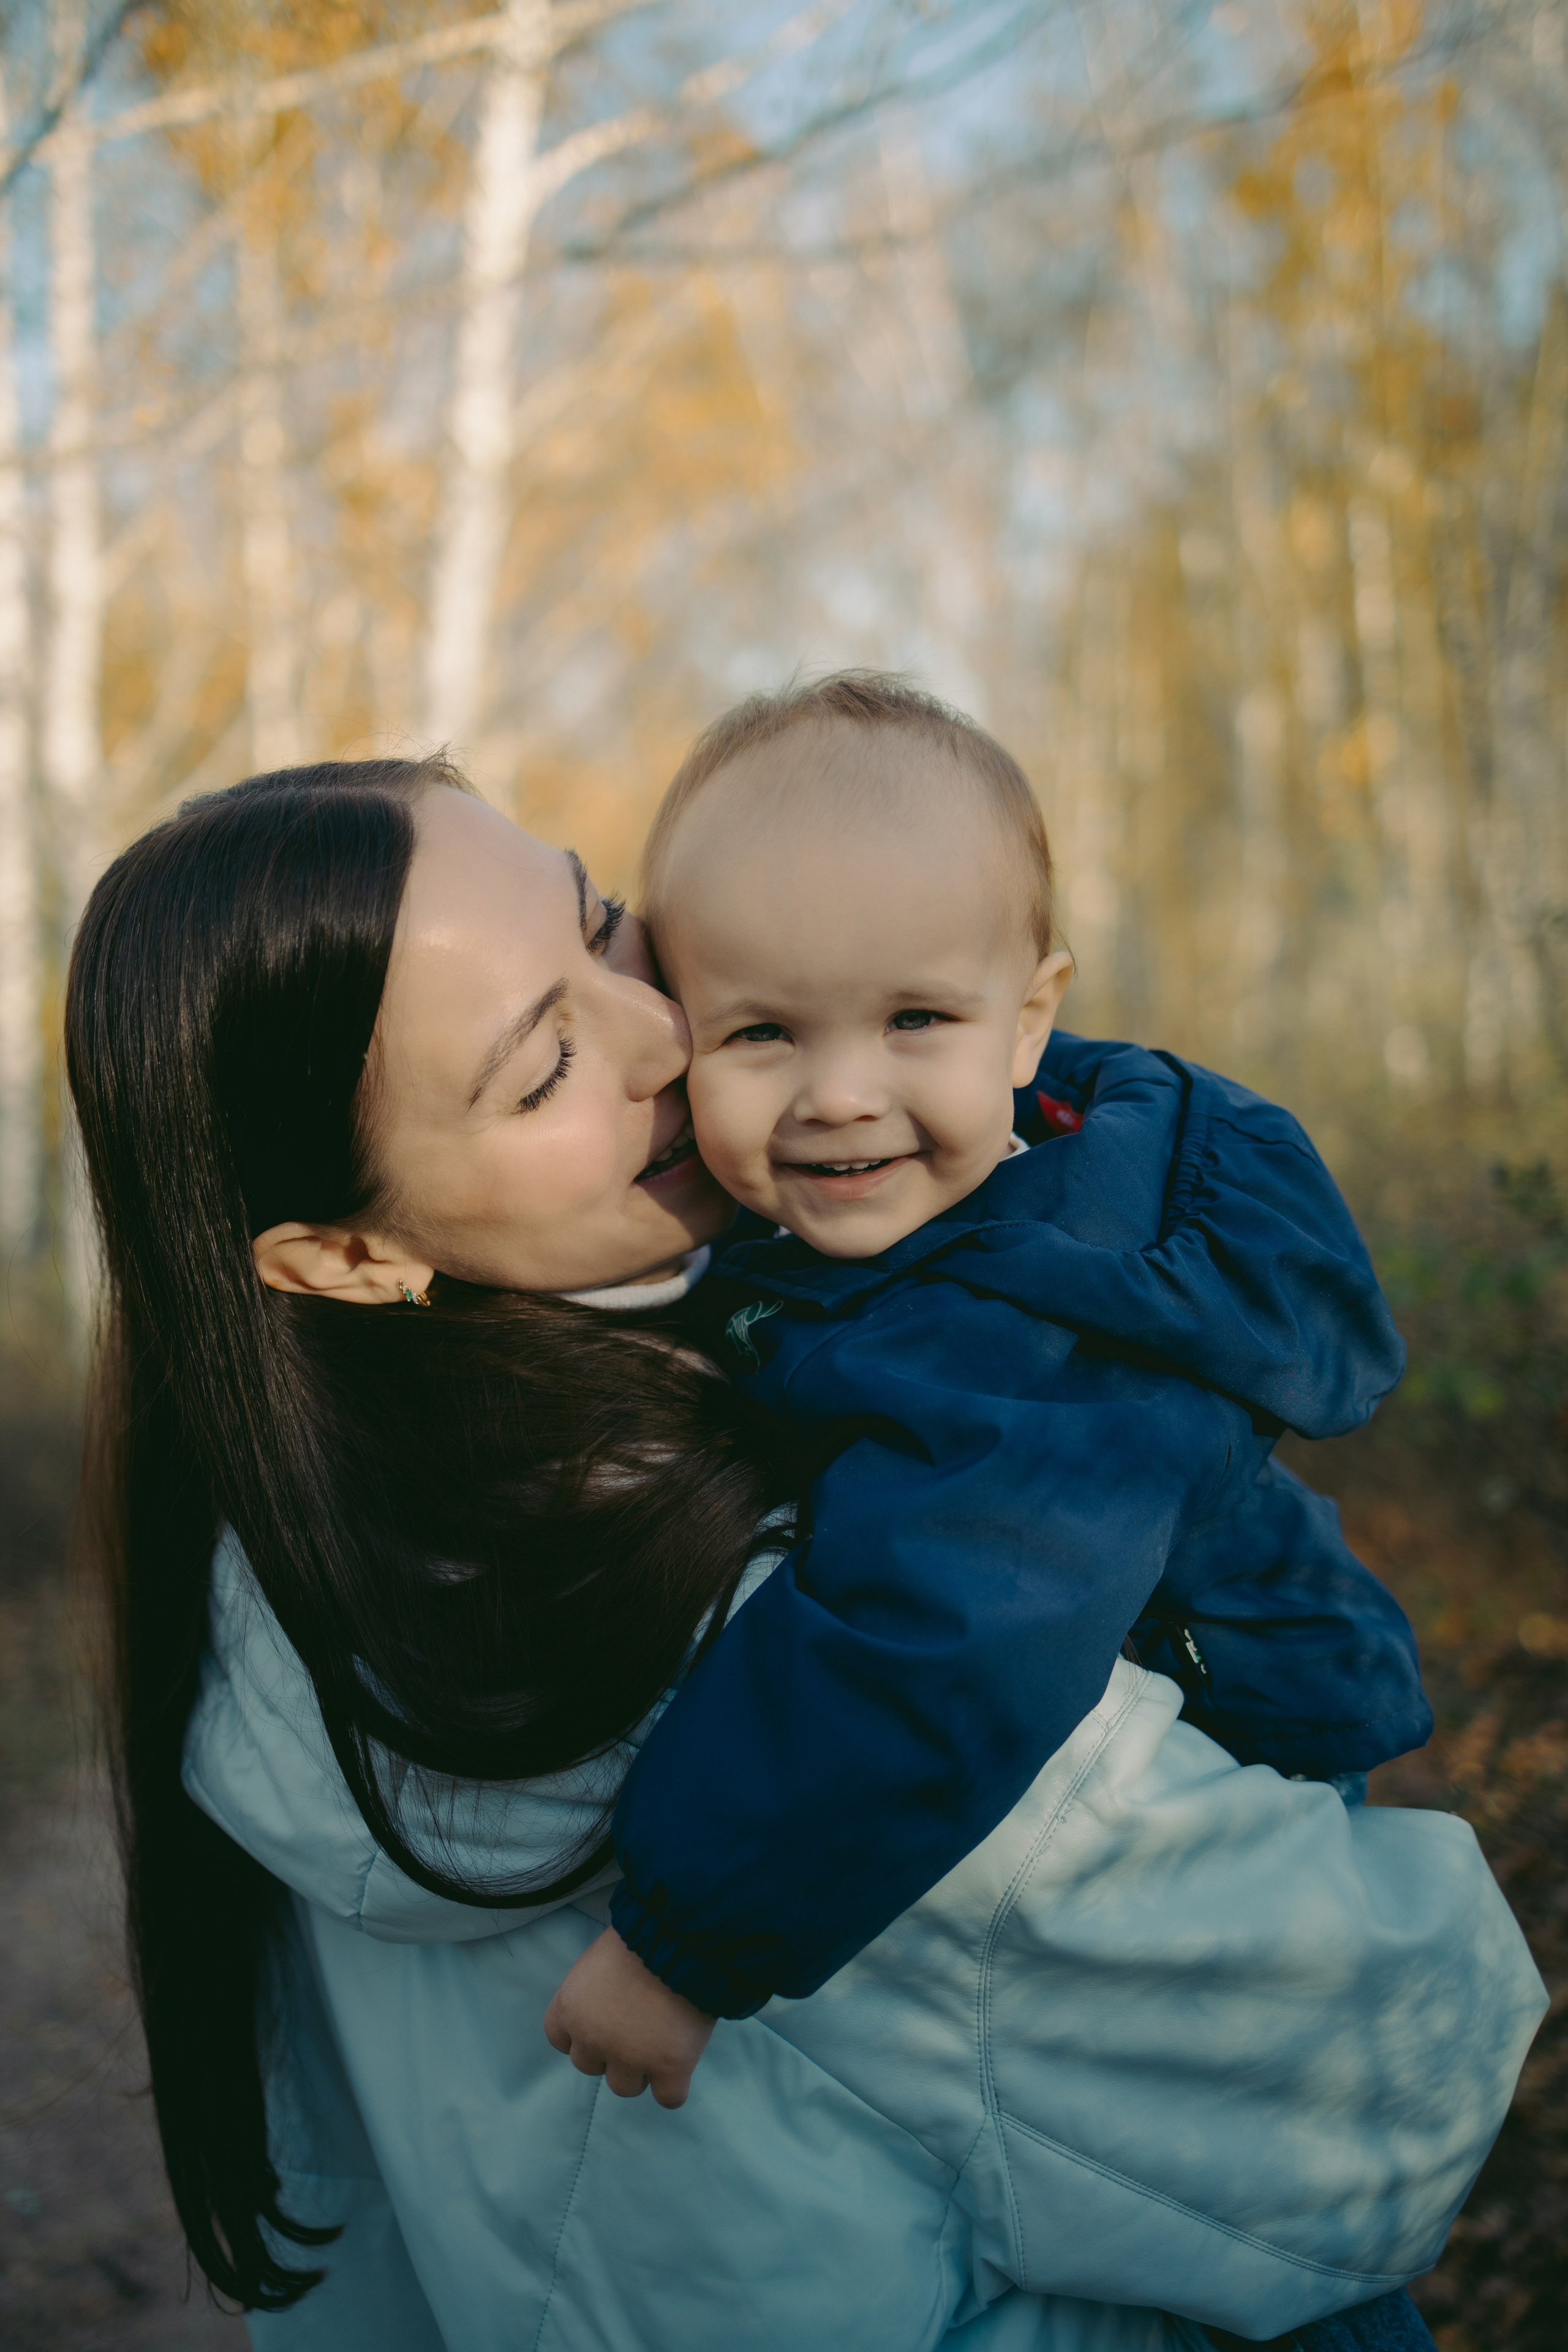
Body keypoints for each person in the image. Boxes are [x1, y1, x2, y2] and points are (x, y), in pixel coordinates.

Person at [66, 756, 1544, 2352]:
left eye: (604, 926)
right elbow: (1392, 2061)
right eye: (546, 1061)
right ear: (350, 1256)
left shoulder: (272, 1548)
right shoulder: (785, 1643)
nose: (663, 1032)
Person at [558, 670, 1436, 2053]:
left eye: (914, 1019)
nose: (840, 1090)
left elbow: (939, 1634)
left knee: (1236, 2217)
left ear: (1025, 1023)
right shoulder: (861, 1222)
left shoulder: (1041, 1327)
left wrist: (686, 1938)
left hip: (1230, 1779)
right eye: (763, 1033)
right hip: (1064, 1789)